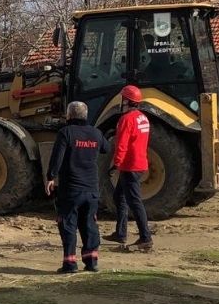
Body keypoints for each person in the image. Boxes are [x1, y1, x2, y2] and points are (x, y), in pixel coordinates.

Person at [45, 101, 110, 273]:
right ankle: (91, 261)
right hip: (91, 189)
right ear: (85, 115)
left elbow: (57, 157)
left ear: (69, 115)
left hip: (71, 189)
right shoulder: (96, 133)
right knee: (89, 224)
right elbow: (106, 148)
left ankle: (70, 263)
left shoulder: (66, 132)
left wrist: (51, 177)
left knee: (68, 224)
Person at [105, 84, 153, 250]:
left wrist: (115, 164)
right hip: (139, 163)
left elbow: (122, 145)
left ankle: (145, 237)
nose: (121, 101)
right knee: (120, 197)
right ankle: (120, 233)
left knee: (134, 202)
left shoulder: (126, 120)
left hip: (129, 166)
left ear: (128, 101)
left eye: (123, 99)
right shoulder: (143, 118)